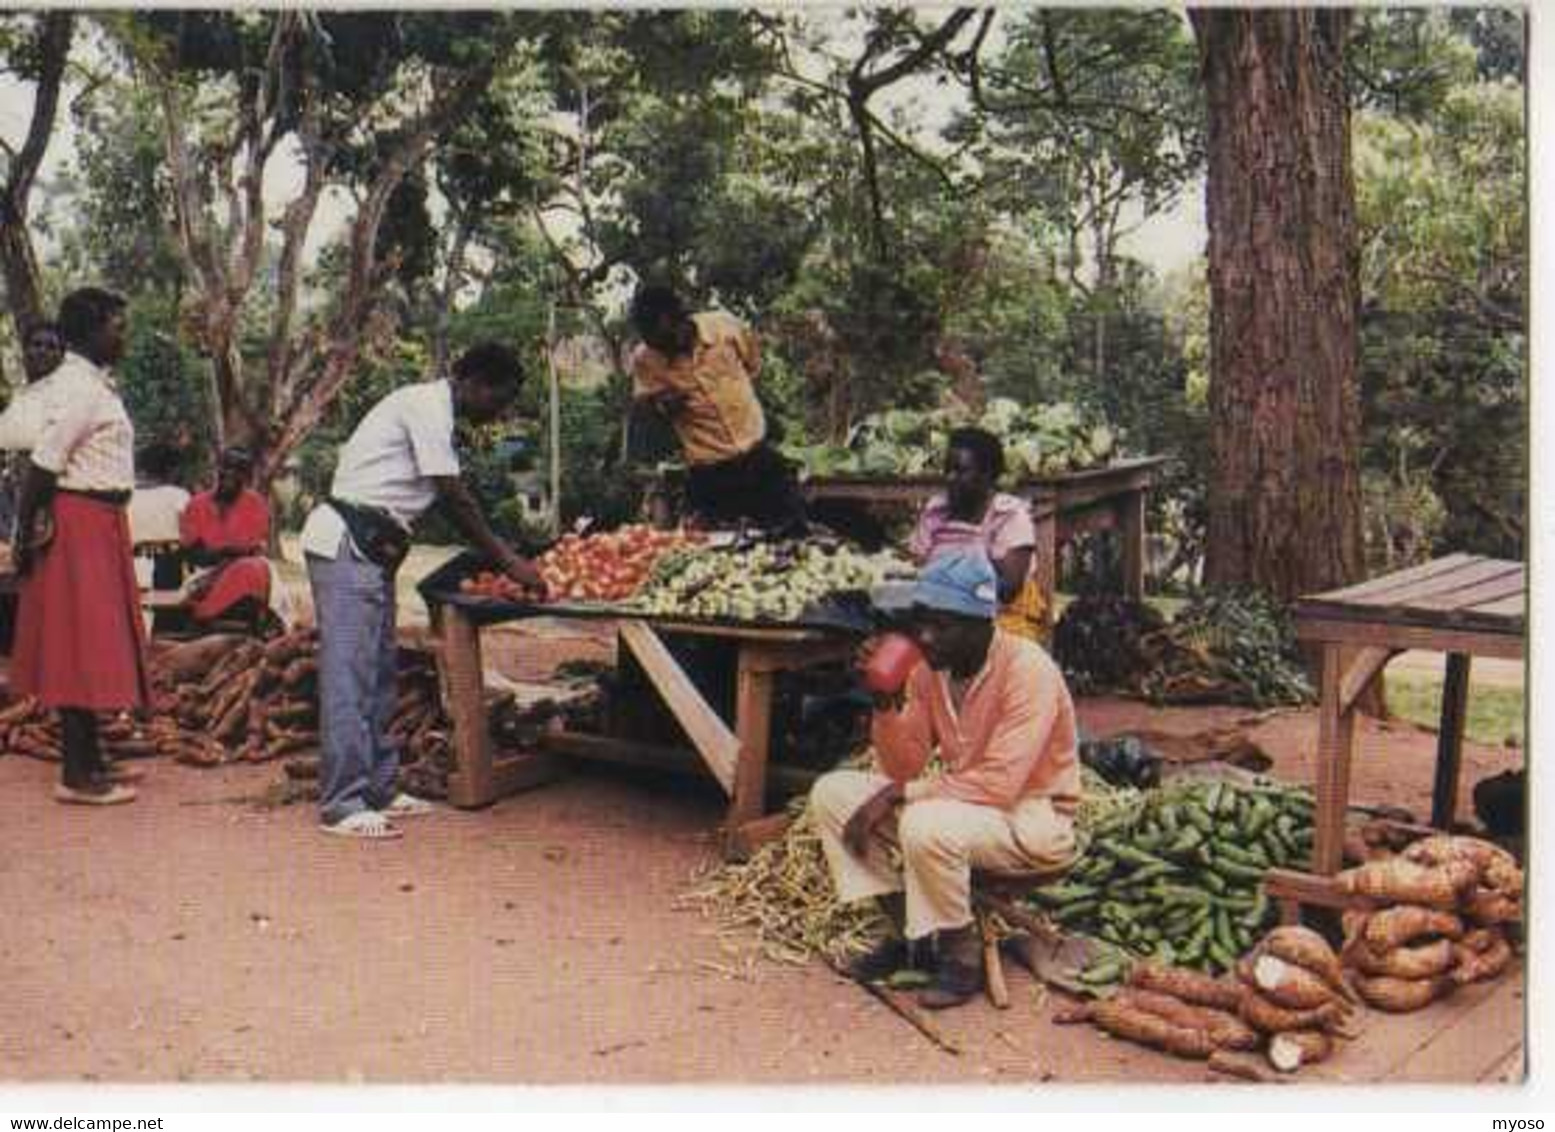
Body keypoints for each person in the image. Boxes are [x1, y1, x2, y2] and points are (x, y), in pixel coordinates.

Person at [810, 550, 1081, 1008]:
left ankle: (961, 954)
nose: (926, 636)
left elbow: (998, 784)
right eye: (920, 622)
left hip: (1033, 819)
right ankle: (909, 939)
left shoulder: (1029, 670)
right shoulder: (930, 667)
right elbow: (904, 768)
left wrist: (899, 795)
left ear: (983, 623)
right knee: (832, 794)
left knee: (925, 822)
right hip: (968, 807)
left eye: (942, 624)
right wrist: (885, 703)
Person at [299, 341, 544, 840]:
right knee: (350, 676)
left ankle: (380, 786)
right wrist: (508, 560)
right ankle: (342, 804)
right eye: (500, 398)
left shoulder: (441, 418)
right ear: (474, 382)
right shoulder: (427, 406)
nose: (500, 411)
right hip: (348, 544)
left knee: (380, 673)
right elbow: (454, 498)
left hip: (374, 552)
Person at [12, 289, 149, 805]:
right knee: (80, 645)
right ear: (90, 331)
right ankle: (77, 775)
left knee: (89, 642)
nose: (123, 335)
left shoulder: (91, 384)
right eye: (117, 325)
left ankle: (91, 762)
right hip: (81, 522)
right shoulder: (78, 389)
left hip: (100, 521)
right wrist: (24, 534)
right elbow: (44, 464)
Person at [628, 283, 804, 532]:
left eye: (667, 340)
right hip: (708, 475)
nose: (664, 350)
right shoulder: (645, 359)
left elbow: (752, 366)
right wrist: (663, 406)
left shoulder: (725, 327)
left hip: (759, 460)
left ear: (682, 320)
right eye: (656, 346)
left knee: (788, 540)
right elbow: (646, 407)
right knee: (711, 555)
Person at [909, 426, 1046, 640]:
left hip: (994, 618)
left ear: (987, 474)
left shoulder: (1008, 515)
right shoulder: (937, 510)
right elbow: (916, 565)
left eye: (960, 470)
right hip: (935, 616)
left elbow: (1009, 589)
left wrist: (952, 590)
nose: (950, 478)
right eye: (947, 470)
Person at [179, 446, 276, 632]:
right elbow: (194, 555)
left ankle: (208, 615)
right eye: (226, 467)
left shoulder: (256, 504)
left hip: (244, 574)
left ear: (247, 476)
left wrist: (219, 559)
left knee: (251, 568)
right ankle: (206, 617)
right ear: (218, 469)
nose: (231, 473)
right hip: (204, 574)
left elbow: (250, 551)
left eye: (239, 469)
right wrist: (224, 554)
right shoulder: (197, 505)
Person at [127, 441, 192, 594]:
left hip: (132, 572)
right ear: (171, 470)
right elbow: (189, 537)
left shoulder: (126, 497)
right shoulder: (179, 496)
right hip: (169, 577)